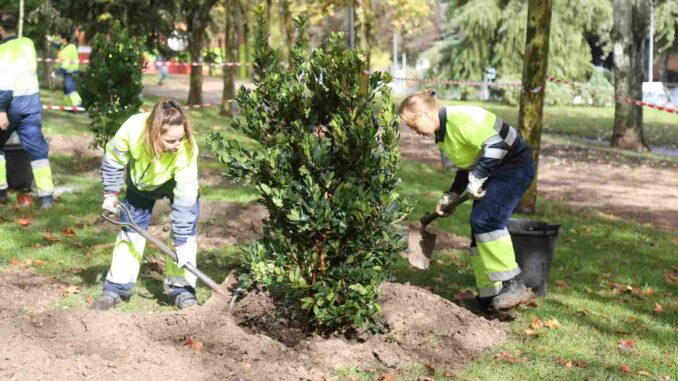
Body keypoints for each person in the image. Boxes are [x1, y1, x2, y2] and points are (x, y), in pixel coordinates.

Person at [399, 91, 535, 311]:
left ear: (425, 114)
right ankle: (488, 297)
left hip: (514, 167)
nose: (414, 132)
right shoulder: (443, 133)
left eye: (414, 126)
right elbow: (466, 166)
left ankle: (514, 285)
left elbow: (497, 146)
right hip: (495, 170)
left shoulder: (461, 118)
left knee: (487, 222)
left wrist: (478, 177)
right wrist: (452, 194)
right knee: (479, 228)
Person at [92, 98, 200, 311]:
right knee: (131, 231)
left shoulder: (185, 149)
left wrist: (181, 241)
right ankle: (116, 287)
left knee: (184, 237)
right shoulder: (132, 128)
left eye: (181, 139)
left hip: (174, 184)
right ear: (154, 133)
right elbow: (113, 158)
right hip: (139, 184)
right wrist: (111, 193)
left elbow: (186, 199)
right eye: (171, 141)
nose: (177, 145)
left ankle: (182, 289)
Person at [0, 10, 55, 208]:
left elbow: (4, 86)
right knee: (38, 152)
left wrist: (1, 111)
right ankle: (46, 197)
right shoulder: (28, 44)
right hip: (31, 106)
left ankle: (1, 193)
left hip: (11, 106)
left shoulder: (2, 52)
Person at [49, 32, 82, 107]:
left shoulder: (69, 48)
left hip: (71, 72)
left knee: (70, 89)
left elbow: (65, 65)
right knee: (66, 90)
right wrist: (50, 40)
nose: (58, 39)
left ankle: (78, 106)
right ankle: (69, 106)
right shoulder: (64, 47)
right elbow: (56, 44)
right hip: (67, 72)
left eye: (59, 38)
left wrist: (55, 73)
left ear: (64, 39)